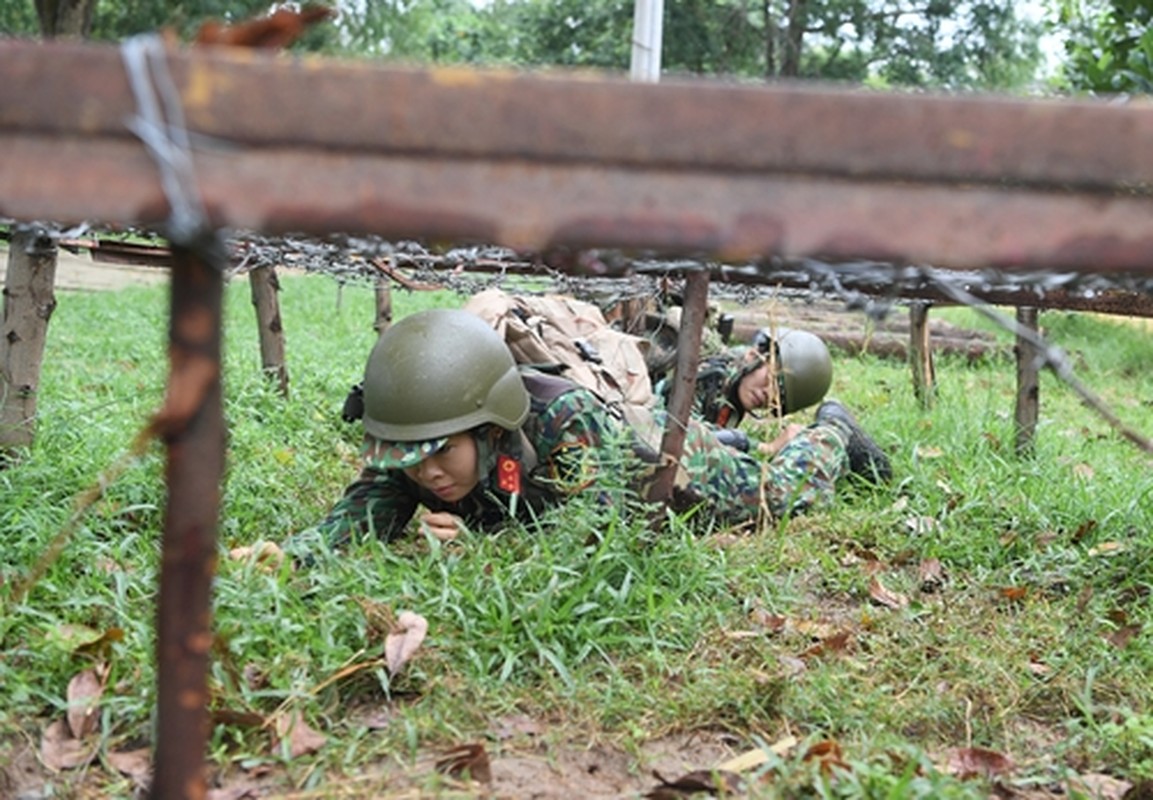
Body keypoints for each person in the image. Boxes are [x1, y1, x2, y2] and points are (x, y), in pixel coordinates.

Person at [288, 308, 890, 556]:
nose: (426, 473)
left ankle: (832, 431)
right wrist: (300, 554)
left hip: (669, 462)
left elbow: (590, 533)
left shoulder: (562, 420)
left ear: (489, 426)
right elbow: (374, 495)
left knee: (781, 495)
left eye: (439, 454)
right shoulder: (435, 428)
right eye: (412, 458)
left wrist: (485, 549)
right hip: (640, 432)